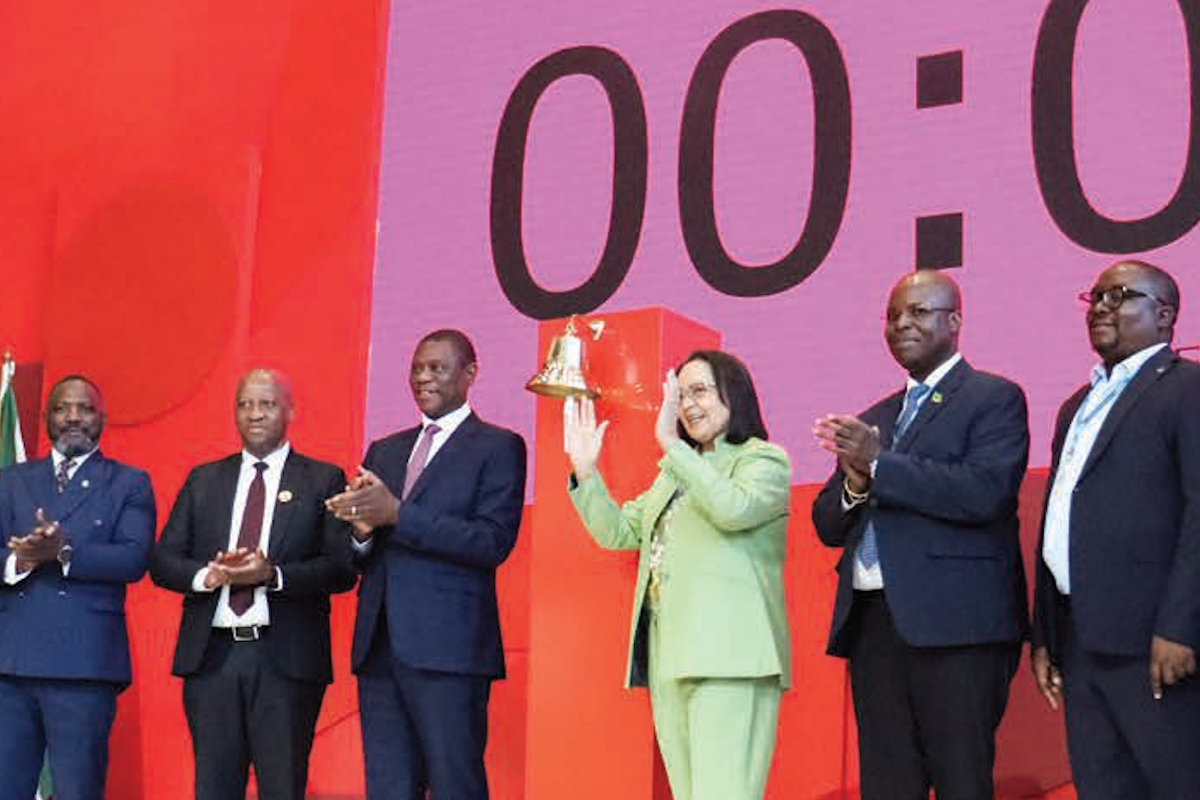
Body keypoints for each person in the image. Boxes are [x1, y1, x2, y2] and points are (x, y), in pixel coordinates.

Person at [811, 270, 1029, 800]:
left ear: (954, 321)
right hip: (873, 625)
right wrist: (856, 482)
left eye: (918, 311)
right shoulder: (874, 417)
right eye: (892, 316)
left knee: (961, 781)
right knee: (887, 784)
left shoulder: (993, 397)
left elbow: (984, 492)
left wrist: (880, 465)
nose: (902, 323)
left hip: (956, 628)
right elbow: (826, 524)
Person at [563, 350, 792, 800]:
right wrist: (586, 473)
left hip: (729, 659)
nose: (687, 405)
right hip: (669, 657)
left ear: (733, 393)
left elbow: (732, 509)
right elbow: (619, 532)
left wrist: (671, 443)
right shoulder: (673, 474)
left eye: (699, 391)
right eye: (680, 395)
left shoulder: (763, 460)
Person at [326, 329, 526, 800]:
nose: (423, 377)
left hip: (451, 651)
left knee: (455, 784)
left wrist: (398, 514)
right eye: (416, 368)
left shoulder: (498, 446)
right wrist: (361, 531)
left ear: (470, 374)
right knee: (388, 787)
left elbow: (491, 541)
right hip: (379, 648)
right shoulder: (385, 450)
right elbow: (359, 553)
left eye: (437, 367)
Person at [1031, 260, 1200, 800]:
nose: (1101, 307)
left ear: (1164, 314)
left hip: (1154, 642)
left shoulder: (1188, 388)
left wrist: (1181, 628)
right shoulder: (1075, 407)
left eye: (1120, 295)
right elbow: (1061, 518)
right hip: (1081, 638)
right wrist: (1046, 635)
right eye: (1096, 297)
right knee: (1101, 787)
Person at [150, 368, 356, 800]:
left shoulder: (322, 479)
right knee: (214, 788)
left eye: (266, 404)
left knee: (282, 787)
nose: (254, 414)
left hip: (285, 660)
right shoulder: (205, 480)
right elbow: (163, 562)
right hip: (212, 658)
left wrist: (271, 575)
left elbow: (340, 568)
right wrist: (208, 575)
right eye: (244, 404)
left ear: (290, 411)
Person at [0, 375, 155, 800]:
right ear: (45, 418)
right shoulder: (10, 481)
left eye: (84, 409)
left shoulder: (128, 482)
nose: (73, 417)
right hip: (11, 662)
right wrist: (22, 559)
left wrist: (65, 551)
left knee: (77, 790)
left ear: (102, 418)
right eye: (62, 408)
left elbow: (133, 558)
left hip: (83, 666)